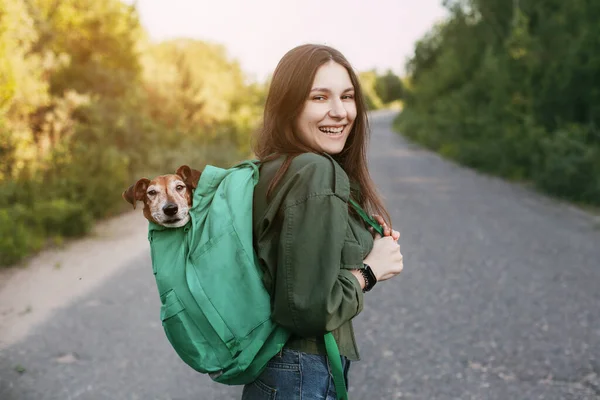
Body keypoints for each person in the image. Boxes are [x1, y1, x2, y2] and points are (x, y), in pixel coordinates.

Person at [243, 44, 404, 399]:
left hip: (276, 373)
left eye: (347, 97)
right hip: (302, 372)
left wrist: (353, 228)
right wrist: (370, 271)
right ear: (289, 107)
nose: (339, 112)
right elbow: (309, 310)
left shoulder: (276, 167)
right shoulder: (315, 171)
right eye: (319, 97)